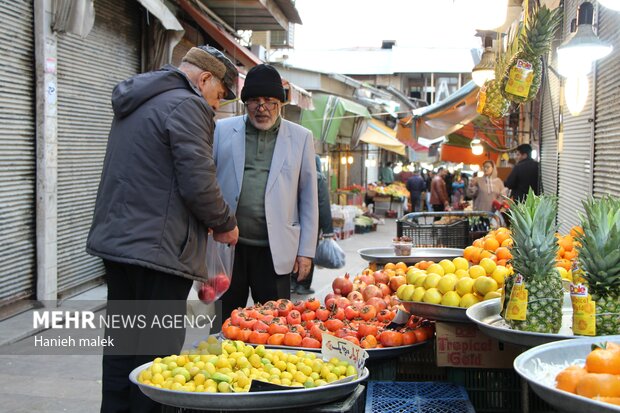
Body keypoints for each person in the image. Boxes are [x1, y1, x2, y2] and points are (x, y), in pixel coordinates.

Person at [86, 46, 240, 413]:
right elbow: (198, 181)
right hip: (158, 250)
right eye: (218, 96)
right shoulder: (188, 106)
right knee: (156, 356)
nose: (216, 106)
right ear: (204, 79)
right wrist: (224, 223)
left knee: (122, 347)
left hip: (121, 243)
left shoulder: (141, 99)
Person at [213, 64, 318, 318]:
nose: (262, 108)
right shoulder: (222, 130)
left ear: (280, 104)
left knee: (275, 326)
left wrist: (305, 252)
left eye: (270, 101)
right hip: (229, 247)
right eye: (254, 101)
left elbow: (309, 199)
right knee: (225, 322)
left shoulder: (301, 137)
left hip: (276, 251)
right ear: (245, 103)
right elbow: (208, 182)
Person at [292, 155, 334, 295]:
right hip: (310, 224)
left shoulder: (292, 174)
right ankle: (303, 284)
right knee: (307, 252)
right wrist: (328, 230)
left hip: (290, 222)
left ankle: (291, 282)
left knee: (290, 251)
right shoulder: (319, 178)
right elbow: (323, 206)